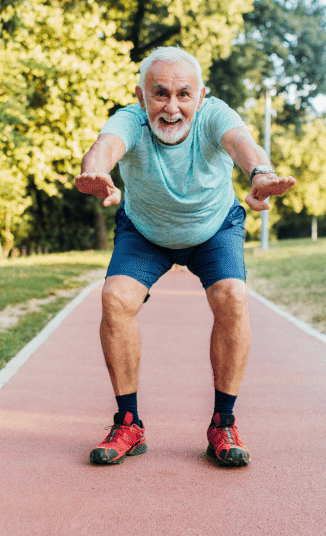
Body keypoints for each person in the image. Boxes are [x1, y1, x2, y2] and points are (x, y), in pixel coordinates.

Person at [75, 46, 296, 467]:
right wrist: (97, 171)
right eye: (159, 94)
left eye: (183, 94)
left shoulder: (214, 115)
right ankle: (128, 424)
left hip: (213, 228)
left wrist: (261, 174)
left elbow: (241, 143)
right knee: (115, 298)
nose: (172, 107)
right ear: (141, 97)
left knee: (232, 297)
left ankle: (223, 423)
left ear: (201, 96)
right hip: (146, 232)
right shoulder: (131, 120)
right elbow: (105, 145)